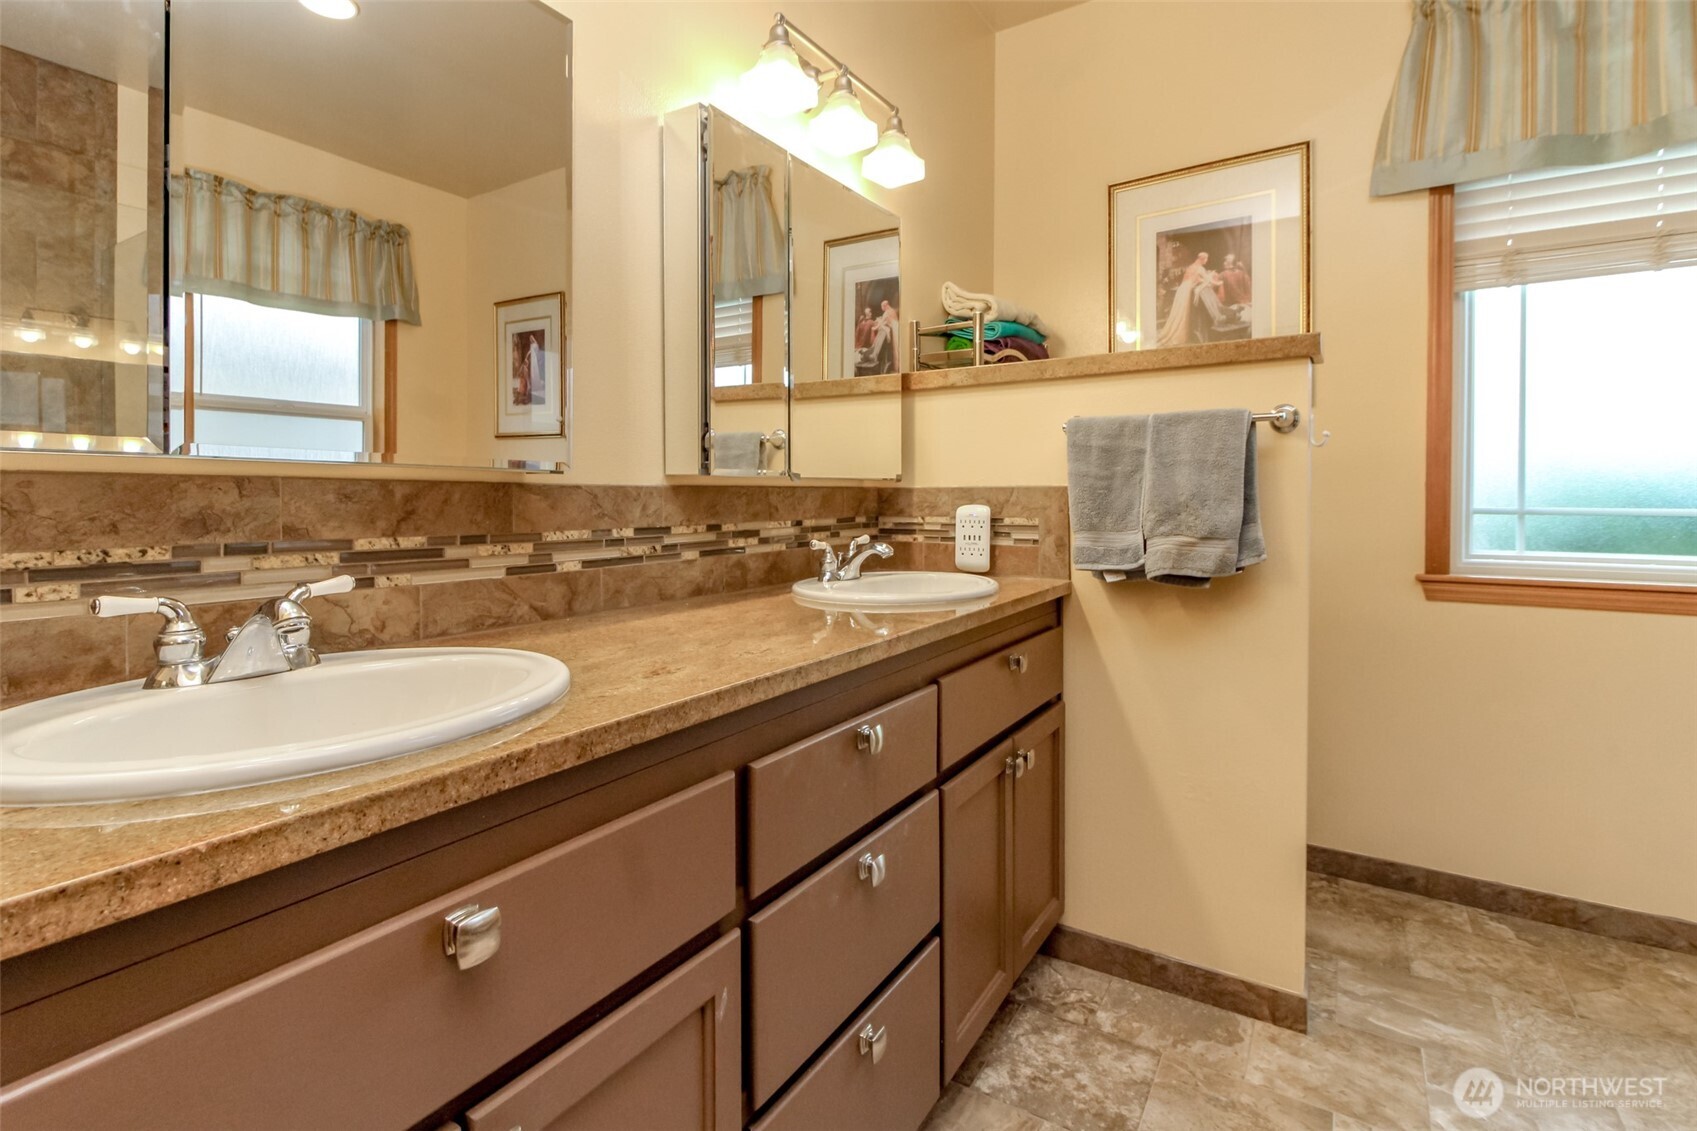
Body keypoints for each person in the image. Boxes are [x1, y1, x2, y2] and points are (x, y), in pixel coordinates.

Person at [1155, 251, 1209, 347]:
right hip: (1187, 290)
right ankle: (1178, 335)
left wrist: (1200, 280)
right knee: (1182, 314)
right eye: (1206, 259)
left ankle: (1173, 331)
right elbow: (1207, 280)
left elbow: (1193, 278)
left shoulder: (1191, 266)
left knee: (1178, 312)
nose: (1207, 261)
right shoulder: (1200, 268)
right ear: (1202, 259)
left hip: (1182, 289)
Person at [525, 333, 547, 405]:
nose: (531, 339)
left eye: (531, 338)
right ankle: (531, 387)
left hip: (534, 360)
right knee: (532, 373)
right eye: (530, 339)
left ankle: (535, 386)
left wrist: (529, 355)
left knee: (534, 372)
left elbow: (535, 352)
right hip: (532, 360)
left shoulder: (535, 345)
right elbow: (530, 352)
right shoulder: (533, 345)